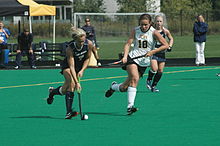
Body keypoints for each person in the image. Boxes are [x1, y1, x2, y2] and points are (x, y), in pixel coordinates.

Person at [105, 14, 169, 115]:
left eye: (146, 25)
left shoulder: (154, 32)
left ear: (150, 23)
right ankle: (130, 107)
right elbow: (127, 44)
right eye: (142, 24)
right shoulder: (135, 30)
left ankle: (113, 87)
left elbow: (166, 45)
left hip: (144, 62)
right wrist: (125, 56)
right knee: (134, 79)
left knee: (124, 88)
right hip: (133, 58)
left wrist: (153, 52)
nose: (143, 27)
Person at [46, 27, 93, 119]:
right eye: (80, 42)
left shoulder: (89, 44)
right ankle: (69, 112)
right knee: (72, 83)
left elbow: (87, 58)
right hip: (68, 66)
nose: (82, 43)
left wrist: (82, 70)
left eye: (83, 41)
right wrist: (77, 82)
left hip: (79, 66)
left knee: (64, 90)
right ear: (75, 39)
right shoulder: (70, 48)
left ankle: (52, 92)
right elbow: (71, 66)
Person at [146, 15, 174, 92]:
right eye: (157, 21)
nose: (159, 23)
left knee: (160, 71)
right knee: (154, 69)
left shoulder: (165, 31)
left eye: (160, 21)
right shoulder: (151, 31)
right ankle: (149, 79)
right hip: (154, 52)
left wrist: (170, 46)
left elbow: (171, 38)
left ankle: (154, 86)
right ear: (155, 22)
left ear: (163, 22)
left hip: (162, 53)